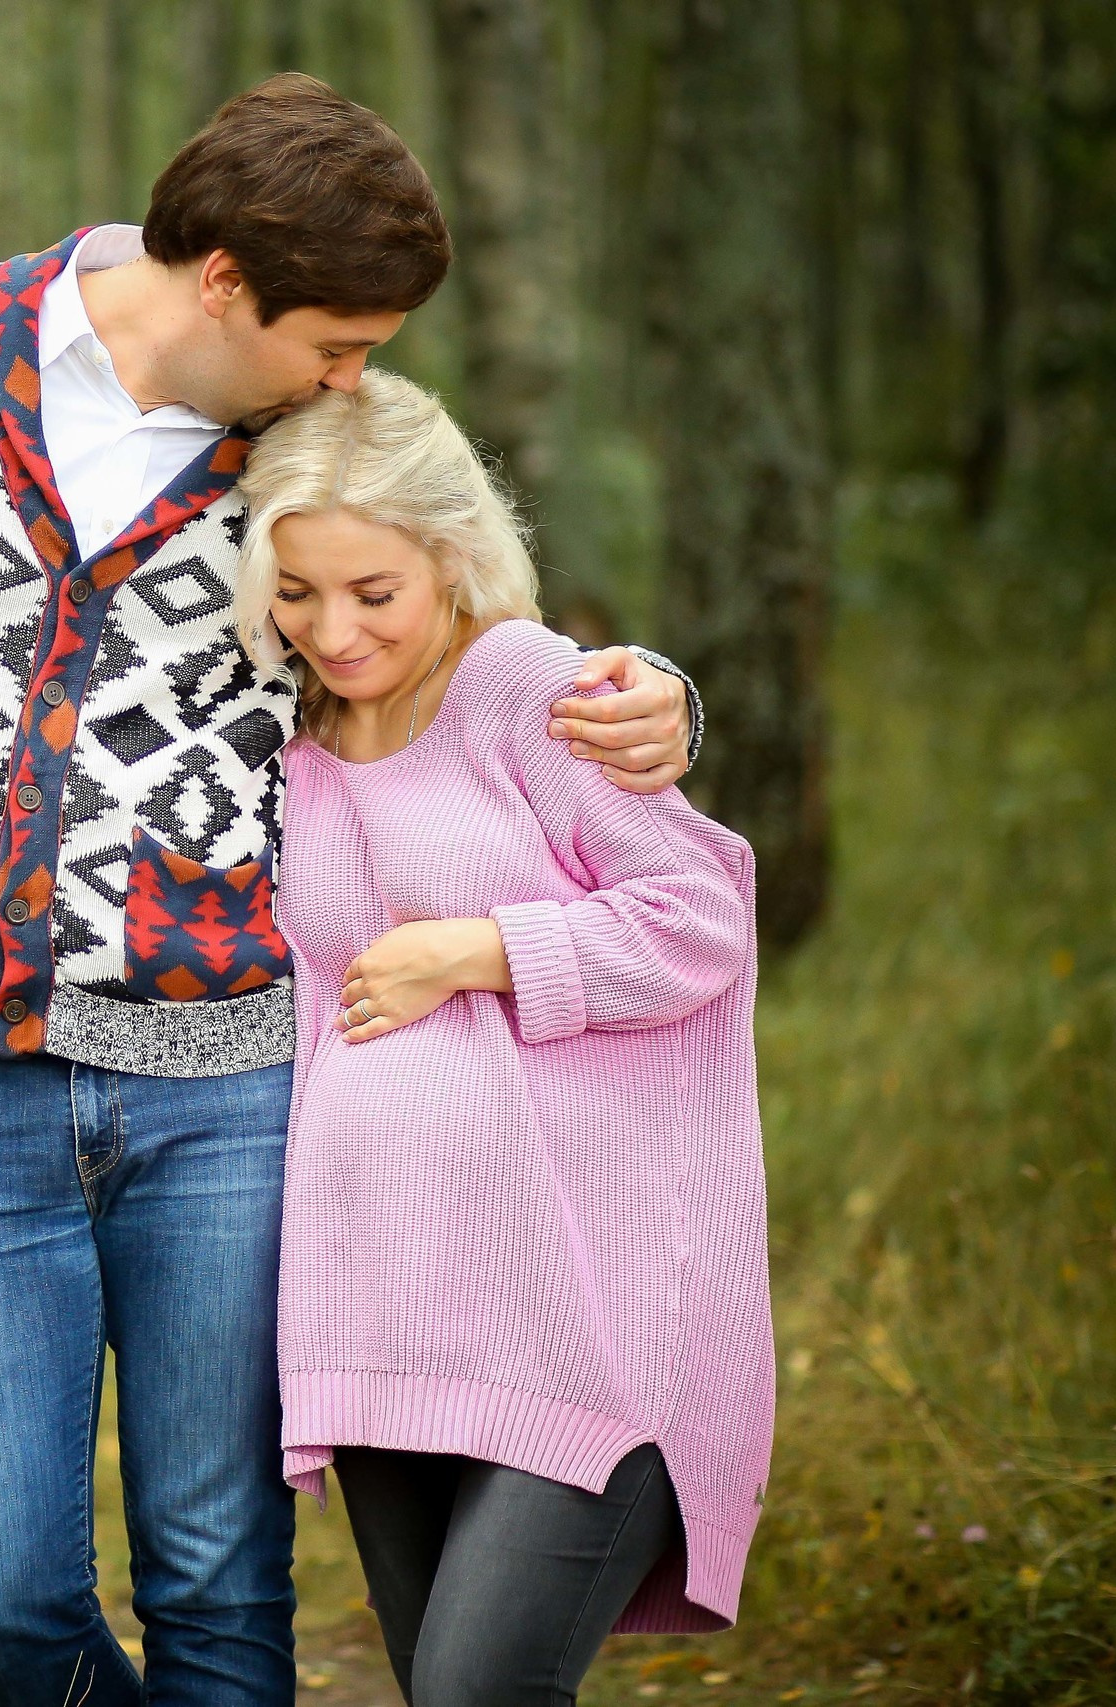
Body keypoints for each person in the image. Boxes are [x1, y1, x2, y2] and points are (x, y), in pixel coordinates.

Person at [0, 74, 702, 1707]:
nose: (361, 375)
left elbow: (457, 630)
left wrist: (663, 696)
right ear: (222, 282)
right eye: (337, 338)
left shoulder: (306, 446)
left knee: (216, 1590)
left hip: (239, 1096)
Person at [237, 370, 772, 1705]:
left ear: (453, 555)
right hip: (387, 1315)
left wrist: (477, 950)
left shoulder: (520, 689)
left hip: (585, 1324)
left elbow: (700, 912)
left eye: (375, 592)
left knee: (476, 1691)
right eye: (297, 592)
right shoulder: (278, 731)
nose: (335, 631)